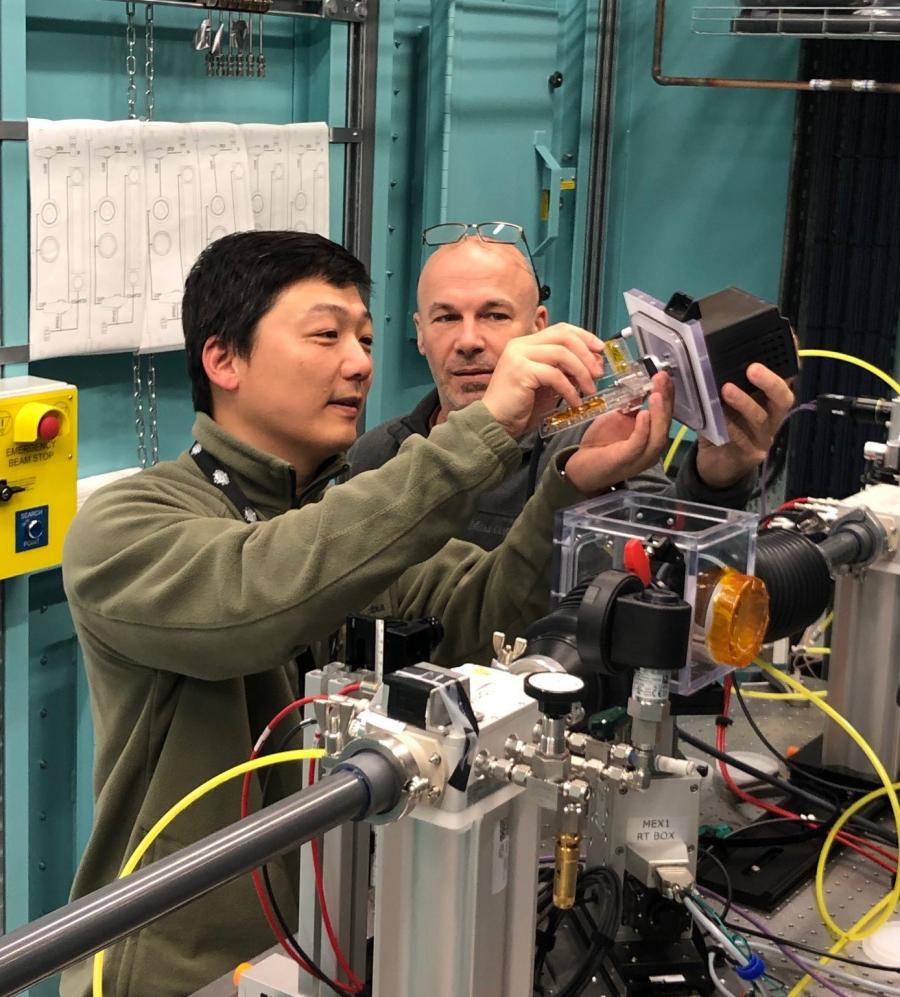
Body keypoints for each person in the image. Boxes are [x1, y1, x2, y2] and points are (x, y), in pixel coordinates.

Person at [59, 230, 674, 997]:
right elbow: (258, 595)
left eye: (365, 338)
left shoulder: (340, 514)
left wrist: (563, 489)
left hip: (336, 939)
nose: (359, 362)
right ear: (224, 360)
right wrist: (485, 431)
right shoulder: (127, 526)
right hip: (188, 971)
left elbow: (477, 610)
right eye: (326, 334)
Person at [349, 227, 796, 548]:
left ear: (537, 325)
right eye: (446, 317)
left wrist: (717, 481)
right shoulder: (377, 456)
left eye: (495, 315)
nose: (468, 341)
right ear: (420, 333)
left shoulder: (594, 446)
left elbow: (665, 563)